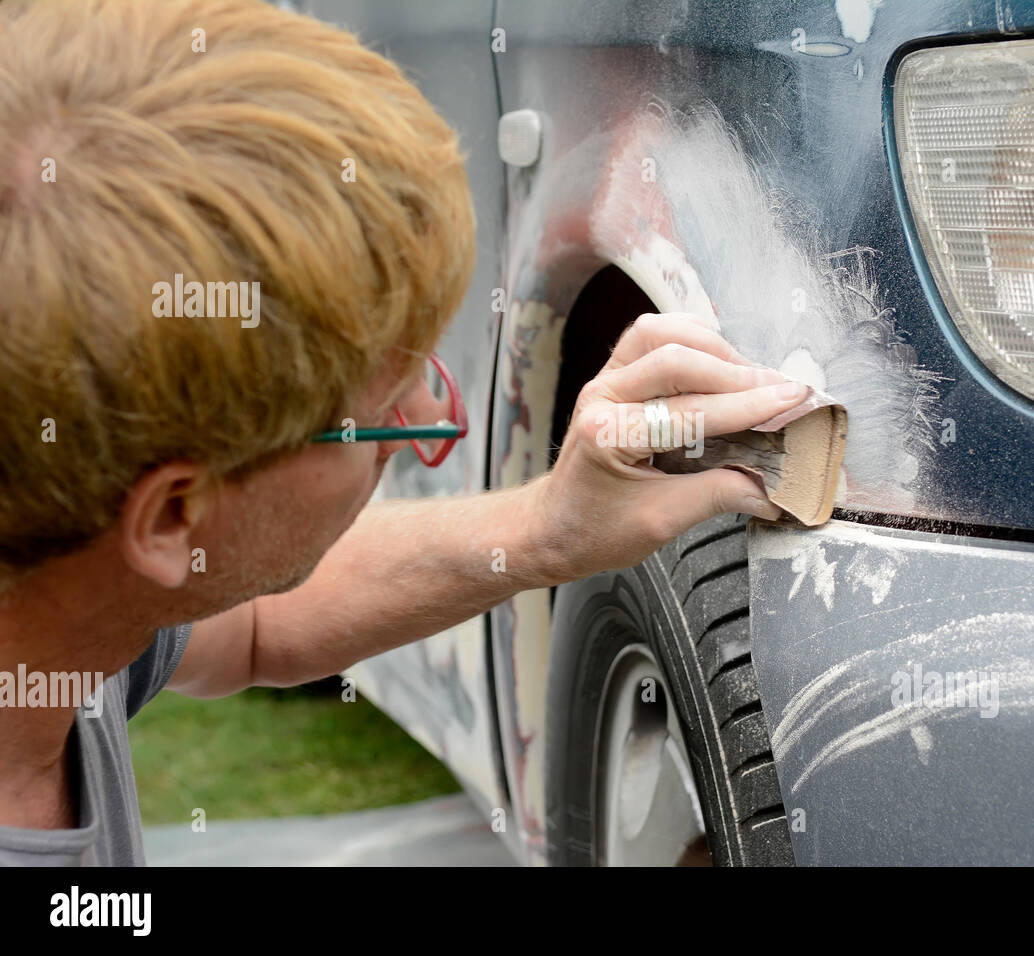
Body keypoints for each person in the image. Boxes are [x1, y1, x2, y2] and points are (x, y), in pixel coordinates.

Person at [0, 0, 807, 864]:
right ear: (170, 518)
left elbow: (257, 622)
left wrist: (548, 527)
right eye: (382, 412)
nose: (432, 425)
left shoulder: (70, 604)